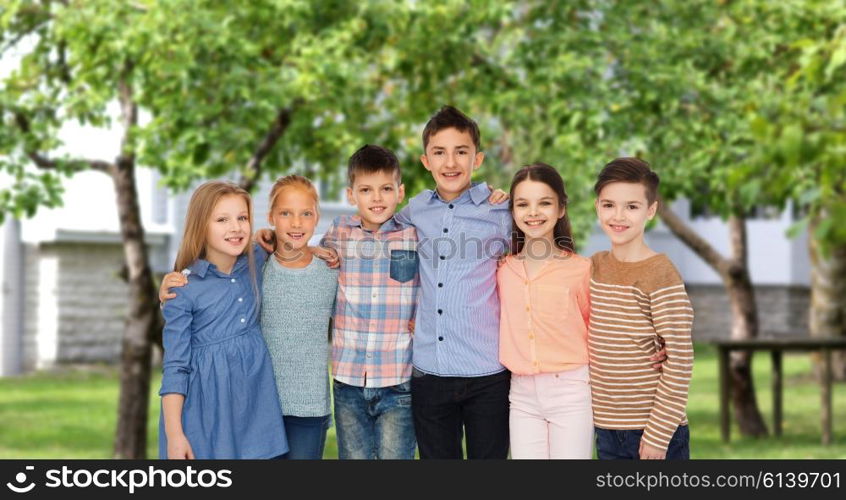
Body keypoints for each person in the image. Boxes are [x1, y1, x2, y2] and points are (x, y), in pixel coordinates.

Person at [393, 105, 513, 459]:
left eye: (461, 151)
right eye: (439, 152)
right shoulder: (415, 210)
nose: (451, 162)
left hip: (487, 373)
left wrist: (511, 197)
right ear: (425, 160)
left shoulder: (500, 212)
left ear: (478, 159)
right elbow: (377, 232)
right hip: (431, 371)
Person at [158, 180, 288, 459]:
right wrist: (174, 435)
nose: (236, 227)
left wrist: (273, 236)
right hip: (204, 415)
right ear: (200, 226)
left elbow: (291, 239)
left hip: (253, 406)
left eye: (242, 218)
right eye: (222, 219)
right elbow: (175, 368)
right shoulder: (182, 288)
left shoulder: (255, 259)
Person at [589, 157, 694, 460]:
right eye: (609, 205)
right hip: (607, 431)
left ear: (650, 210)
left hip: (654, 433)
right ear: (597, 207)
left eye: (631, 207)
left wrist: (658, 436)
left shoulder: (661, 273)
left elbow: (681, 361)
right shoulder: (594, 267)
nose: (618, 216)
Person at [320, 144, 419, 459]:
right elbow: (305, 257)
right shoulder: (339, 233)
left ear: (400, 192)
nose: (377, 198)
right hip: (349, 380)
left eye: (386, 188)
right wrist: (266, 240)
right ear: (351, 196)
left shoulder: (414, 236)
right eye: (366, 190)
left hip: (399, 379)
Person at [497, 163, 593, 459]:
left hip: (571, 390)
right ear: (512, 210)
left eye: (544, 203)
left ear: (561, 208)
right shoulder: (503, 269)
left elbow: (600, 330)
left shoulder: (581, 269)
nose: (533, 212)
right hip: (521, 393)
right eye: (523, 204)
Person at [260, 174, 339, 459]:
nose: (296, 223)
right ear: (271, 217)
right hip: (262, 404)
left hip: (310, 406)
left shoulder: (330, 271)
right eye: (285, 214)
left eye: (306, 213)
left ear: (316, 217)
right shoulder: (259, 269)